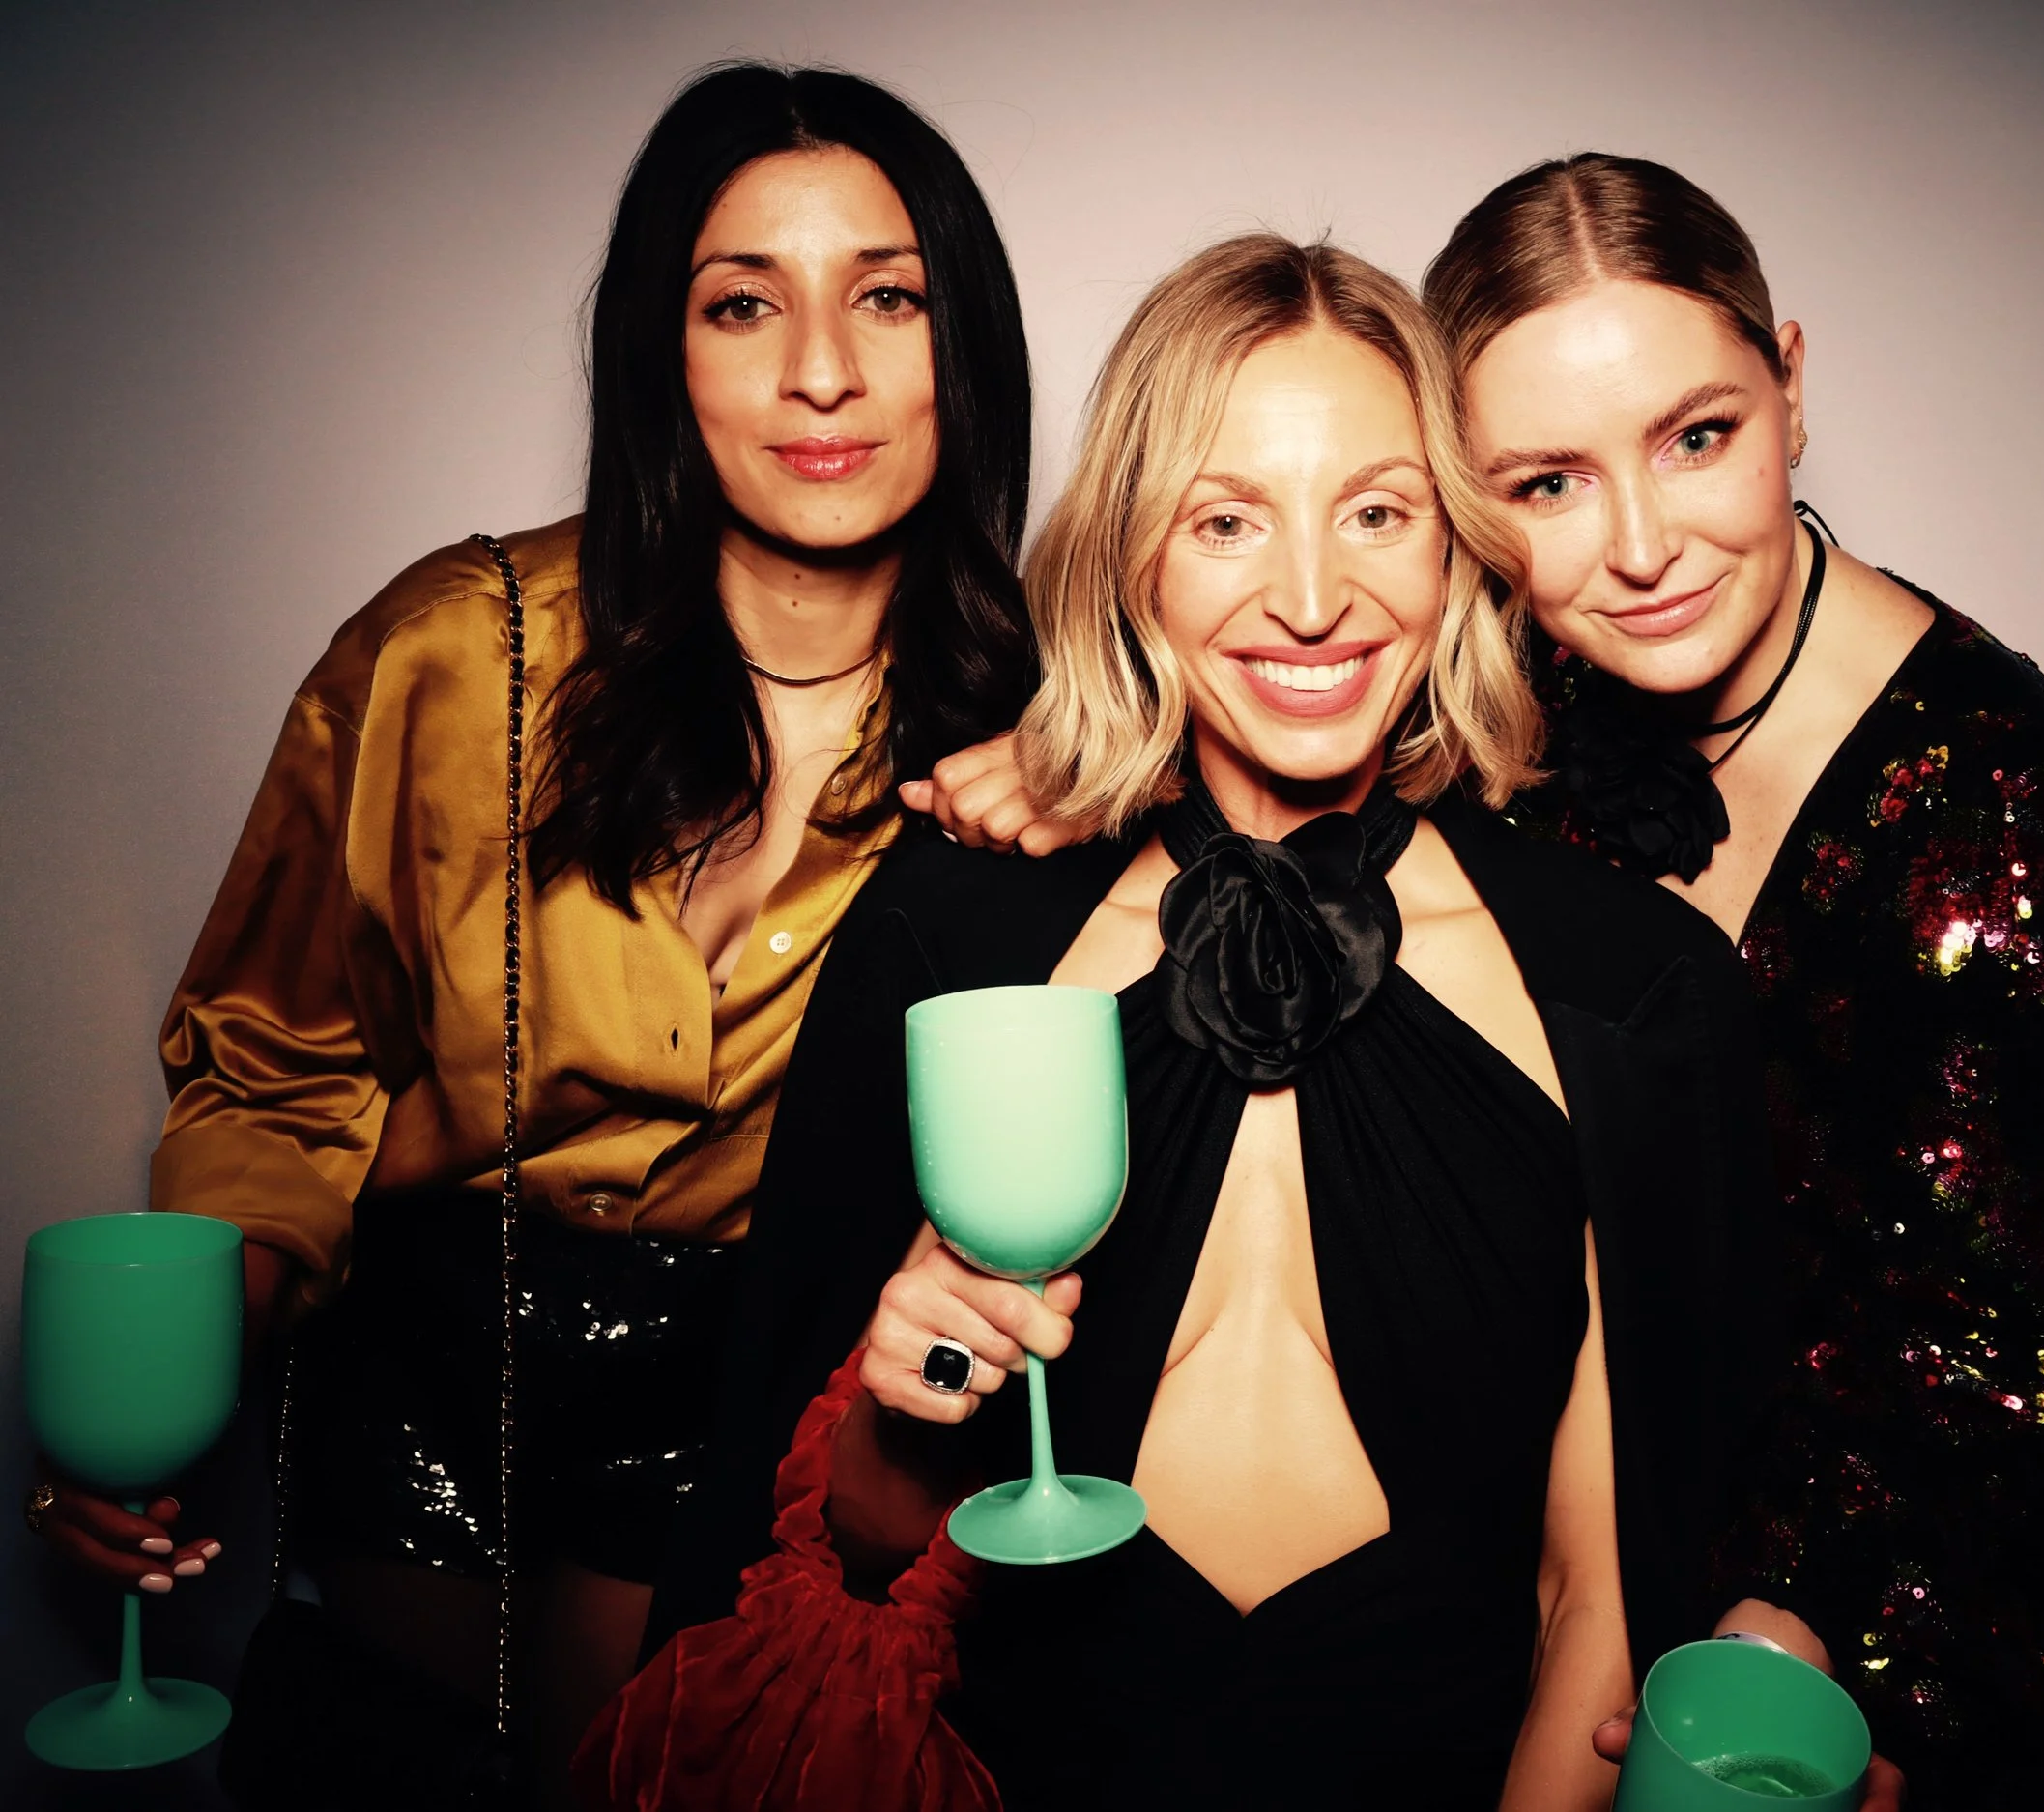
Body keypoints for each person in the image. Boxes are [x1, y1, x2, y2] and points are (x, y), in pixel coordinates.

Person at [605, 235, 1840, 1812]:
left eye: (1379, 514)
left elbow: (1599, 1600)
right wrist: (897, 1411)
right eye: (1226, 520)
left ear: (1457, 550)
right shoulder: (947, 944)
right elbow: (827, 1561)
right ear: (1133, 554)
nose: (1315, 599)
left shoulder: (1630, 988)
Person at [22, 62, 1035, 1804]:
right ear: (664, 350)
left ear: (970, 348)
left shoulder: (1043, 738)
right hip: (412, 1455)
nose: (822, 371)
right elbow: (277, 1074)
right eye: (744, 305)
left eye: (890, 295)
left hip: (754, 1483)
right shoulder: (454, 652)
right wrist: (160, 1398)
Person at [1417, 155, 2044, 1809]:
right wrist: (1060, 757)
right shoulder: (1484, 726)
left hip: (1827, 1710)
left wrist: (1850, 1662)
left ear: (1791, 385)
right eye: (1547, 482)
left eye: (1698, 435)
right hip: (1494, 1635)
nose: (1644, 544)